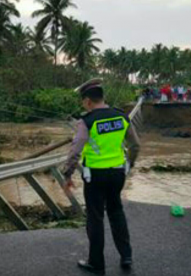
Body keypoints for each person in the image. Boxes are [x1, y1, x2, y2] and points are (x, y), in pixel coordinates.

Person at [62, 78, 140, 275]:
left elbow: (75, 151)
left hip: (95, 177)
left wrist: (67, 174)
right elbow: (135, 145)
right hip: (117, 174)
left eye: (83, 102)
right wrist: (129, 164)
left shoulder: (87, 121)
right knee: (116, 211)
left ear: (88, 101)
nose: (83, 105)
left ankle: (97, 264)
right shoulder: (121, 117)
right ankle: (126, 255)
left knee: (95, 218)